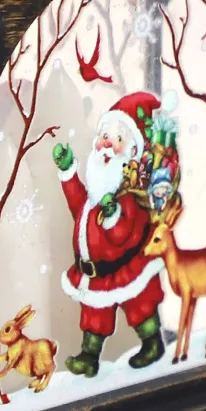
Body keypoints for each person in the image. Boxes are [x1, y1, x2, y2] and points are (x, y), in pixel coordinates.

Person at [51, 91, 166, 376]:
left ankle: (152, 343)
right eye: (104, 136)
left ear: (131, 152)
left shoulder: (129, 196)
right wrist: (68, 173)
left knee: (139, 305)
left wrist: (112, 213)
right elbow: (77, 206)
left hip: (126, 268)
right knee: (94, 314)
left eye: (116, 139)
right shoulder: (95, 194)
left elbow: (123, 233)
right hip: (96, 273)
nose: (105, 145)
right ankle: (89, 356)